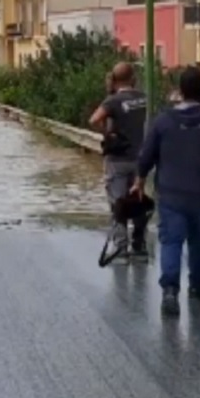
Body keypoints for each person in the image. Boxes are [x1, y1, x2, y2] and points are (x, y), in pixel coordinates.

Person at [131, 67, 200, 316]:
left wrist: (139, 179)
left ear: (180, 91)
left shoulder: (163, 121)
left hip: (171, 192)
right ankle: (198, 288)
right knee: (199, 240)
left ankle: (170, 291)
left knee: (171, 240)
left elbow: (146, 154)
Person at [88, 62, 149, 259]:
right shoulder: (144, 99)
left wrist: (109, 134)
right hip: (140, 159)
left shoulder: (113, 101)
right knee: (138, 201)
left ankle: (121, 248)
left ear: (114, 80)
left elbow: (93, 120)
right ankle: (139, 246)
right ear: (133, 78)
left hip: (118, 159)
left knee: (118, 202)